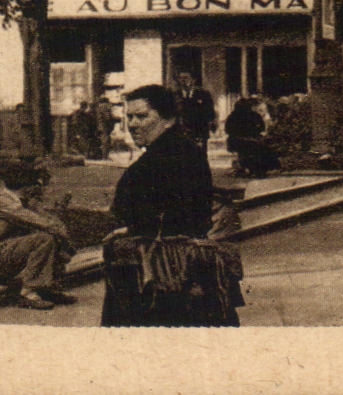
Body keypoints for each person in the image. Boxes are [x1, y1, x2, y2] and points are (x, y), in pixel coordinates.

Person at [101, 84, 243, 326]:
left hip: (166, 272)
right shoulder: (173, 151)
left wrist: (137, 230)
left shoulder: (173, 156)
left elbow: (181, 214)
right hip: (169, 265)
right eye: (129, 117)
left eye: (142, 116)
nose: (133, 124)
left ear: (168, 119)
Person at [0, 162, 74, 310]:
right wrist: (64, 238)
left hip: (1, 257)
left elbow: (47, 221)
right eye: (36, 184)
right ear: (28, 185)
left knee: (49, 237)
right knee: (44, 239)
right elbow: (39, 222)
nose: (39, 188)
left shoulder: (17, 200)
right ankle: (27, 293)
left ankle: (46, 289)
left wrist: (60, 236)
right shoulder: (2, 200)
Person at [224, 97, 280, 178]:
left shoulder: (253, 115)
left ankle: (262, 168)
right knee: (254, 147)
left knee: (263, 146)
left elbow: (261, 128)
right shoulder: (233, 117)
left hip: (250, 138)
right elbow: (229, 130)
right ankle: (254, 168)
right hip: (238, 140)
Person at [175, 72, 217, 147]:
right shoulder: (175, 95)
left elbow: (210, 112)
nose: (183, 80)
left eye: (186, 78)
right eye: (180, 78)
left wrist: (212, 123)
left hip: (199, 131)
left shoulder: (203, 94)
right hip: (181, 132)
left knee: (200, 155)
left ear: (193, 80)